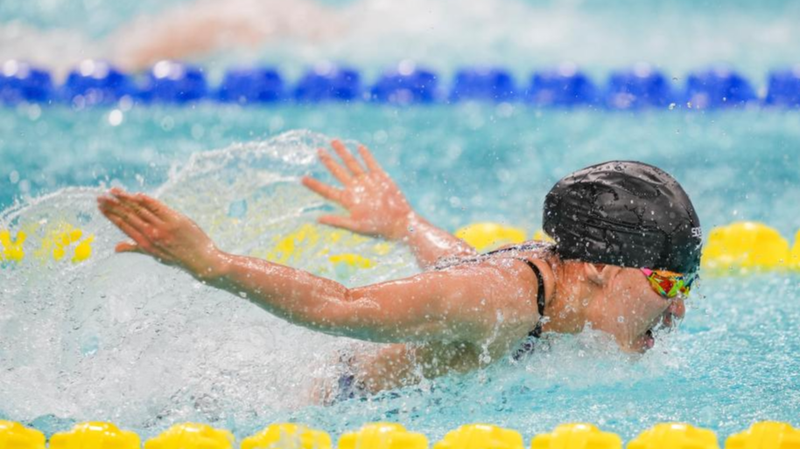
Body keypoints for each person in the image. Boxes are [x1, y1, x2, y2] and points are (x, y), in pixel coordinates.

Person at [97, 140, 702, 402]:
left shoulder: (549, 285)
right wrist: (214, 264)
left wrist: (405, 223)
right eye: (669, 285)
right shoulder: (505, 299)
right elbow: (344, 305)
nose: (678, 310)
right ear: (599, 268)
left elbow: (459, 263)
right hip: (321, 407)